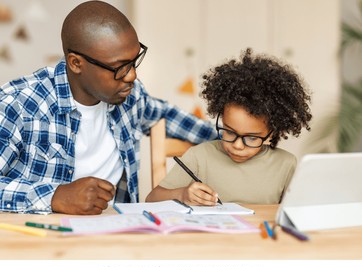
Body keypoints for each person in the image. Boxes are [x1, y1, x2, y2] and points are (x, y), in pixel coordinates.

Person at [0, 1, 217, 215]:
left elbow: (169, 117)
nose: (132, 75)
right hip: (43, 240)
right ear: (76, 63)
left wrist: (233, 137)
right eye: (120, 67)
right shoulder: (18, 104)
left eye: (134, 61)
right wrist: (56, 196)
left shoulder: (131, 95)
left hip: (116, 233)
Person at [146, 48, 312, 205]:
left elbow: (295, 212)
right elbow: (152, 199)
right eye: (230, 132)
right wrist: (182, 195)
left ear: (271, 133)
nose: (237, 145)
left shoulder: (285, 164)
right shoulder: (199, 156)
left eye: (252, 138)